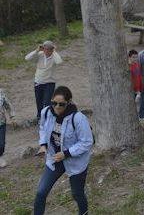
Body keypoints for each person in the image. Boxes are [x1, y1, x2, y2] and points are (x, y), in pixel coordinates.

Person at [34, 86, 93, 215]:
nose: (57, 107)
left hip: (75, 161)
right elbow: (43, 128)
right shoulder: (46, 112)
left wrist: (66, 153)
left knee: (77, 193)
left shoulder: (78, 118)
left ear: (69, 102)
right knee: (41, 192)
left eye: (61, 104)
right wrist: (43, 145)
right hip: (54, 159)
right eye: (54, 103)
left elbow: (87, 142)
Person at [25, 41, 63, 119]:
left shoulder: (54, 56)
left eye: (49, 49)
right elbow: (27, 58)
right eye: (45, 49)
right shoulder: (40, 55)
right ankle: (39, 116)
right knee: (39, 101)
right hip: (38, 82)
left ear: (52, 50)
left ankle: (48, 117)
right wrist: (36, 50)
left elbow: (59, 62)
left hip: (49, 83)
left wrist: (54, 51)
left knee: (47, 102)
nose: (46, 51)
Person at [0, 86, 15, 168]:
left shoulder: (1, 93)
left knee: (1, 144)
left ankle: (0, 157)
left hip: (1, 123)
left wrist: (12, 116)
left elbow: (7, 105)